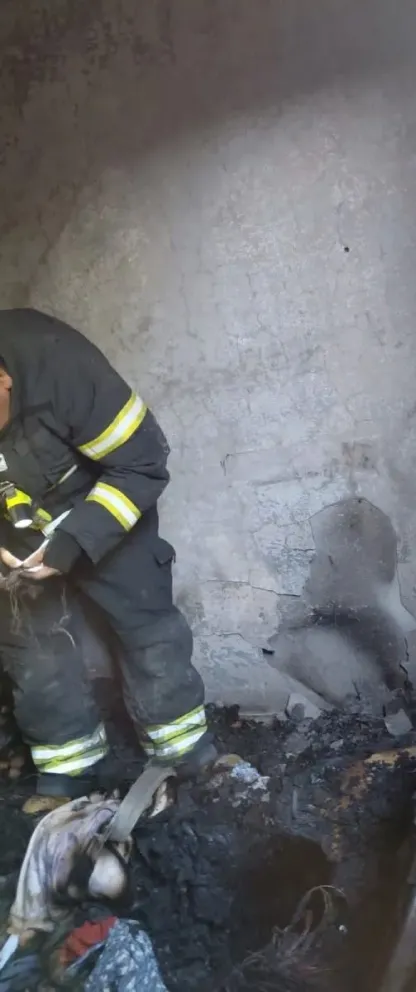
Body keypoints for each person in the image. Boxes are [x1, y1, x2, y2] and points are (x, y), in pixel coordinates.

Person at [0, 308, 217, 812]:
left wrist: (74, 541)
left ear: (3, 380)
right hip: (15, 526)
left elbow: (142, 463)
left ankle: (187, 756)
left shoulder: (60, 365)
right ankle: (69, 773)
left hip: (102, 503)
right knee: (29, 645)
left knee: (146, 624)